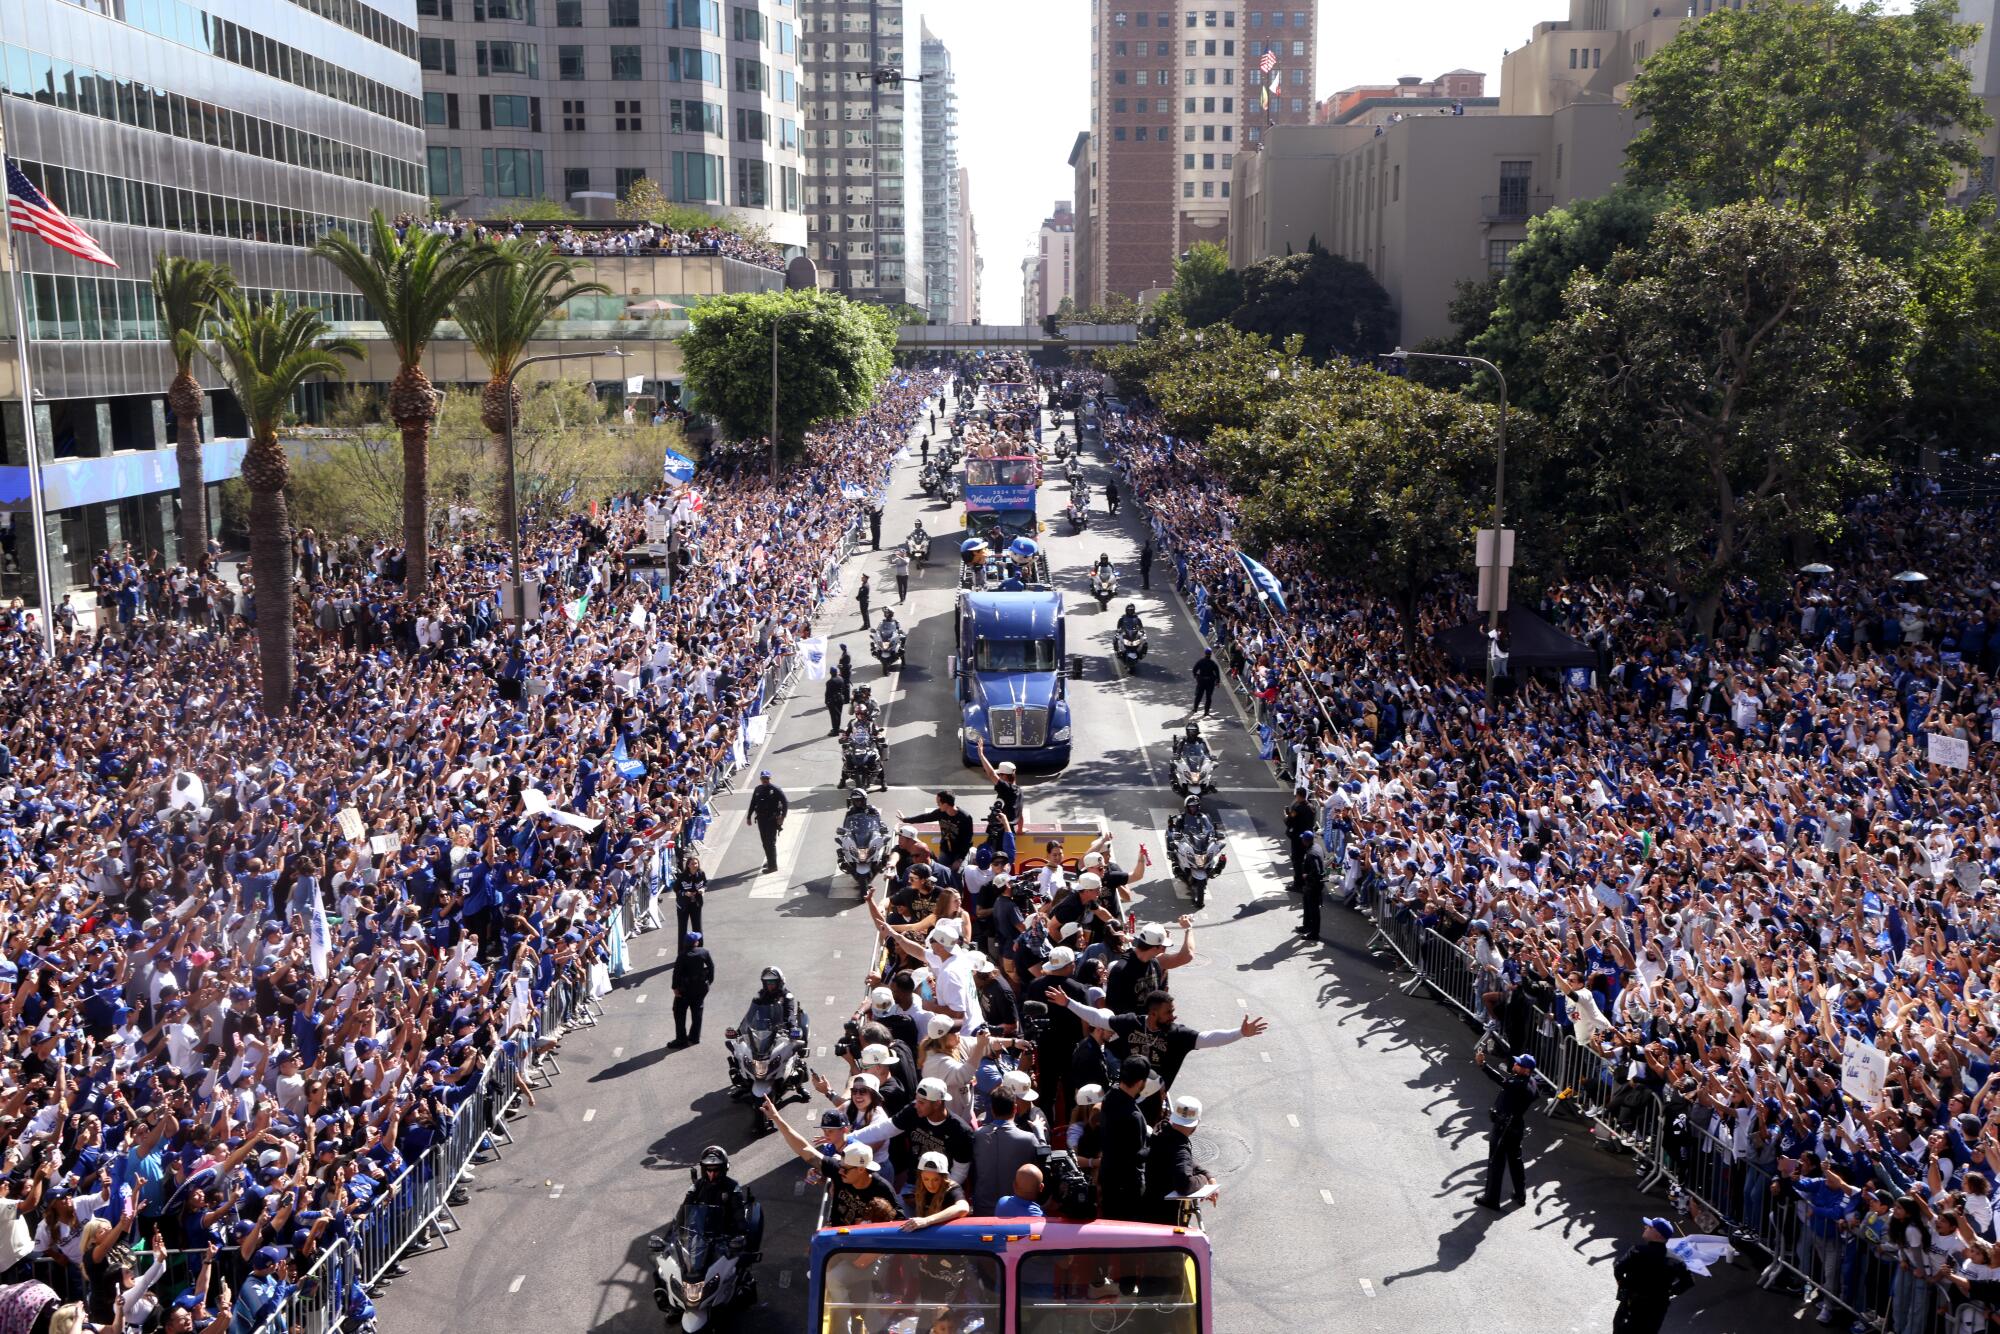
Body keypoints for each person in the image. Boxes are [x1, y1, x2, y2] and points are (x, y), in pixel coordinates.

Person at [766, 1113, 905, 1225]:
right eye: (840, 1166)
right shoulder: (839, 1169)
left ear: (861, 1169)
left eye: (845, 1169)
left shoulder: (883, 1190)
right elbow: (804, 1149)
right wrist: (776, 1118)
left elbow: (899, 1224)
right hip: (835, 1236)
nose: (839, 1172)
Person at [673, 1147, 763, 1283]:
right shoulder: (697, 1186)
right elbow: (684, 1207)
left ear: (724, 1168)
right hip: (700, 1232)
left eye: (716, 1170)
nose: (711, 1174)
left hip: (725, 1234)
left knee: (735, 1271)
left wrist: (741, 1235)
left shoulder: (732, 1187)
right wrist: (677, 1229)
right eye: (708, 1169)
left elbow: (738, 1212)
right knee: (684, 1265)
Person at [1475, 1054, 1539, 1210]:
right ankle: (1520, 1194)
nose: (1514, 1065)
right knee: (1515, 1161)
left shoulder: (1518, 1083)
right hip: (1517, 1125)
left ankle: (1491, 1199)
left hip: (1504, 1127)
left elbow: (1501, 1081)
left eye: (1518, 1064)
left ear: (1525, 1069)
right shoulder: (1532, 1082)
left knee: (1496, 1162)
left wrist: (1483, 1065)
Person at [1612, 1217, 1694, 1334]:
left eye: (1649, 1227)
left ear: (1657, 1234)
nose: (1645, 1227)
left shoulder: (1637, 1251)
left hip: (1632, 1305)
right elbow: (1689, 1281)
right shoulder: (1676, 1260)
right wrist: (1670, 1291)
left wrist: (1623, 1284)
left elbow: (1618, 1269)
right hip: (1656, 1309)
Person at [1097, 1058, 1154, 1221]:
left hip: (1108, 1177)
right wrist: (1155, 1145)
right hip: (1126, 1188)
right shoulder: (1133, 1117)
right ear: (1140, 1082)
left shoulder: (1110, 1096)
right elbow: (1135, 1157)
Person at [1139, 1095, 1210, 1224]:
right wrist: (1203, 1179)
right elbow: (1185, 1185)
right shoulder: (1180, 1148)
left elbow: (1183, 1161)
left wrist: (1205, 1173)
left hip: (1148, 1206)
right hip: (1163, 1217)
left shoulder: (1161, 1131)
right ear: (1196, 1123)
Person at [902, 792, 975, 870]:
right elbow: (925, 817)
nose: (937, 805)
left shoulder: (965, 818)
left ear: (946, 804)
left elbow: (968, 840)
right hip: (945, 850)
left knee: (958, 875)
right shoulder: (940, 813)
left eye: (939, 803)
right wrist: (906, 820)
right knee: (940, 871)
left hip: (959, 853)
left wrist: (960, 859)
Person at [903, 1151, 971, 1231]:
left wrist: (927, 1220)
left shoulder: (952, 1188)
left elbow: (963, 1207)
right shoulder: (920, 1186)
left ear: (943, 1178)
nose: (930, 1185)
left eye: (935, 1180)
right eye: (926, 1179)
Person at [670, 931, 714, 1049]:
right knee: (697, 1012)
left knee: (679, 1013)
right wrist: (709, 981)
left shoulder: (682, 955)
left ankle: (681, 1039)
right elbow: (711, 967)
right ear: (695, 943)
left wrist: (674, 987)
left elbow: (676, 973)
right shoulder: (704, 952)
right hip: (700, 988)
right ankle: (694, 1037)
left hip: (684, 990)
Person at [971, 738, 1021, 828]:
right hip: (1010, 830)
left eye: (1000, 775)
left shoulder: (1006, 788)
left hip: (1000, 829)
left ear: (1005, 776)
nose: (999, 777)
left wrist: (981, 755)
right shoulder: (1019, 791)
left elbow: (991, 774)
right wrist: (1020, 830)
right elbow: (1020, 814)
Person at [746, 771, 789, 873]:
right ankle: (770, 860)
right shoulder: (758, 789)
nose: (765, 780)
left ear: (770, 779)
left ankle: (773, 866)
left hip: (771, 819)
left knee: (770, 843)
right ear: (761, 779)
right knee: (765, 842)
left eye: (767, 778)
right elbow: (753, 803)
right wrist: (749, 817)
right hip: (761, 819)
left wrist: (782, 817)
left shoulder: (775, 790)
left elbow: (785, 802)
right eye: (763, 778)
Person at [1283, 786, 1319, 892]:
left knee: (1297, 861)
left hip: (1298, 838)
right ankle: (1306, 880)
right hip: (1309, 837)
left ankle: (1298, 883)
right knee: (1306, 860)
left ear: (1298, 795)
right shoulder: (1312, 807)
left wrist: (1286, 815)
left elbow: (1289, 821)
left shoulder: (1297, 808)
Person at [1296, 829, 1326, 940]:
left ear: (1305, 841)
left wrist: (1307, 876)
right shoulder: (1317, 847)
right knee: (1307, 905)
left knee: (1313, 909)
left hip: (1314, 885)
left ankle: (1314, 933)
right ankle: (1307, 926)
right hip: (1311, 885)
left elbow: (1317, 871)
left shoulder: (1311, 853)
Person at [672, 851, 707, 937]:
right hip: (683, 905)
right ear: (688, 865)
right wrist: (684, 893)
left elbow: (705, 883)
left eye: (696, 863)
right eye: (692, 864)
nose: (695, 865)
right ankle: (682, 949)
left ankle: (699, 946)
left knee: (697, 926)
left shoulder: (701, 874)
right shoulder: (682, 876)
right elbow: (676, 889)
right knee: (682, 928)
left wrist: (703, 889)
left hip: (696, 903)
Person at [1191, 648, 1220, 716]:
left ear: (1205, 653)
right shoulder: (1213, 663)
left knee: (1198, 695)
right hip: (1210, 682)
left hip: (1201, 681)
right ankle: (1206, 712)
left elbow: (1194, 669)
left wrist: (1196, 676)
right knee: (1208, 697)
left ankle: (1195, 708)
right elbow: (1217, 673)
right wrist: (1217, 681)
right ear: (1210, 654)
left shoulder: (1200, 661)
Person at [825, 670, 851, 736]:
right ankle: (837, 728)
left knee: (834, 716)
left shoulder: (829, 682)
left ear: (831, 673)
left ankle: (835, 731)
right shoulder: (841, 678)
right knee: (839, 714)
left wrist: (826, 701)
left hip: (833, 700)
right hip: (840, 699)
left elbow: (827, 693)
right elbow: (844, 688)